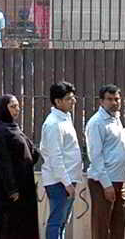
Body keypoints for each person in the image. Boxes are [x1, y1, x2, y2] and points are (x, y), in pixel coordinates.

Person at [0, 95, 40, 239]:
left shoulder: (13, 126)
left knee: (23, 225)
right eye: (12, 106)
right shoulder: (1, 129)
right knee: (10, 226)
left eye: (17, 106)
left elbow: (28, 151)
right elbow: (3, 161)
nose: (17, 109)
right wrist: (12, 189)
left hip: (24, 184)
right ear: (4, 108)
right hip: (12, 190)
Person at [84, 85, 125, 239]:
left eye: (117, 99)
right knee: (101, 228)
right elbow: (95, 157)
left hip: (119, 180)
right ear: (101, 102)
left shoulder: (116, 119)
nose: (114, 102)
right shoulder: (96, 123)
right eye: (109, 99)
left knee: (118, 227)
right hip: (103, 183)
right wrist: (106, 184)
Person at [41, 81, 81, 239]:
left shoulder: (65, 118)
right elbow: (55, 157)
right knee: (56, 222)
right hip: (59, 181)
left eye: (73, 97)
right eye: (69, 98)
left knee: (63, 222)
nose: (73, 101)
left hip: (68, 179)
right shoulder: (53, 124)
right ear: (57, 101)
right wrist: (67, 183)